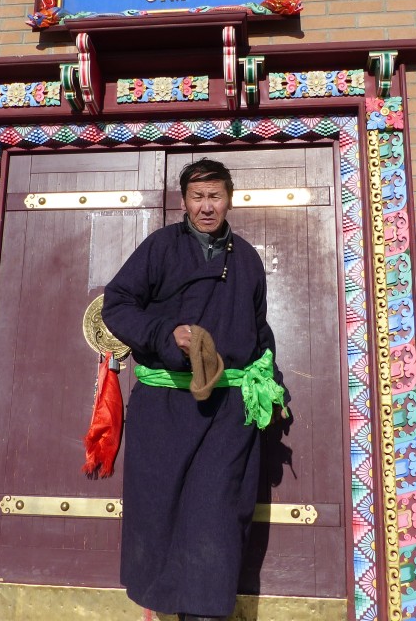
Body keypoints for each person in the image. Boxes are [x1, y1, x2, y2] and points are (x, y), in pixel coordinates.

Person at [102, 158, 284, 621]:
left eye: (215, 196)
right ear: (184, 201)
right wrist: (165, 334)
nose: (207, 207)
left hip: (227, 412)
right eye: (198, 197)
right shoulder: (160, 247)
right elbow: (117, 305)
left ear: (230, 199)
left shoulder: (246, 258)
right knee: (162, 515)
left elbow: (259, 330)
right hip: (164, 409)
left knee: (216, 515)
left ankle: (204, 615)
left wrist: (271, 386)